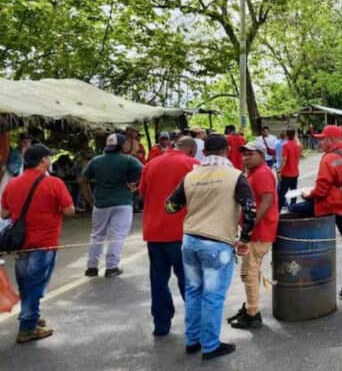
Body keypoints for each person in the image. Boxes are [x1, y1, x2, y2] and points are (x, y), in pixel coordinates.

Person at [165, 134, 255, 360]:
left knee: (193, 291)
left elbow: (170, 207)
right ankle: (211, 345)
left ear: (204, 153)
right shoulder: (235, 176)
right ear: (227, 150)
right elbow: (250, 210)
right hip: (216, 243)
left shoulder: (191, 176)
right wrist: (244, 239)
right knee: (213, 296)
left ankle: (192, 340)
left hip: (189, 241)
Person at [1, 144, 75, 343]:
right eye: (49, 157)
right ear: (43, 160)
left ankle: (31, 314)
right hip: (44, 243)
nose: (50, 160)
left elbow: (4, 213)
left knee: (26, 283)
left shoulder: (12, 184)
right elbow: (69, 210)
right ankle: (27, 327)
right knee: (35, 285)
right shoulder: (54, 183)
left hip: (20, 243)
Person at [288, 125, 342, 302]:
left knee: (292, 209)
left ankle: (310, 282)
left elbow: (320, 191)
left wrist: (306, 194)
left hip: (330, 206)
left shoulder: (329, 158)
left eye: (322, 139)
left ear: (331, 140)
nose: (319, 142)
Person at [139, 136, 199, 337]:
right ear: (191, 150)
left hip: (154, 232)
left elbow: (142, 195)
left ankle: (161, 324)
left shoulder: (151, 164)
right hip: (181, 232)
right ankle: (194, 325)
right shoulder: (192, 164)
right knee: (188, 280)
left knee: (158, 279)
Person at [228, 143, 279, 329]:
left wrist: (248, 229)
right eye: (244, 155)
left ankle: (253, 313)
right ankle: (250, 307)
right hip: (256, 231)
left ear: (262, 155)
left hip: (260, 232)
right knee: (251, 271)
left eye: (250, 154)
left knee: (248, 272)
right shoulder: (254, 173)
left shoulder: (263, 173)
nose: (246, 158)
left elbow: (267, 201)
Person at [80, 133, 142, 278]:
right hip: (123, 202)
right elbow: (146, 171)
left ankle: (92, 267)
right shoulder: (129, 160)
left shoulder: (96, 161)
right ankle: (111, 267)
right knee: (117, 235)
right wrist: (136, 186)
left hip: (101, 203)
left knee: (96, 235)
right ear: (121, 145)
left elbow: (83, 180)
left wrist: (90, 200)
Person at [277, 129, 301, 211]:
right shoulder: (298, 146)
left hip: (286, 173)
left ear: (287, 135)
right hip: (295, 172)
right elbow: (298, 160)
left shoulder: (286, 145)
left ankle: (278, 209)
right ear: (294, 135)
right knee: (294, 191)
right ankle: (292, 208)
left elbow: (284, 159)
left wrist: (279, 170)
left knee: (282, 192)